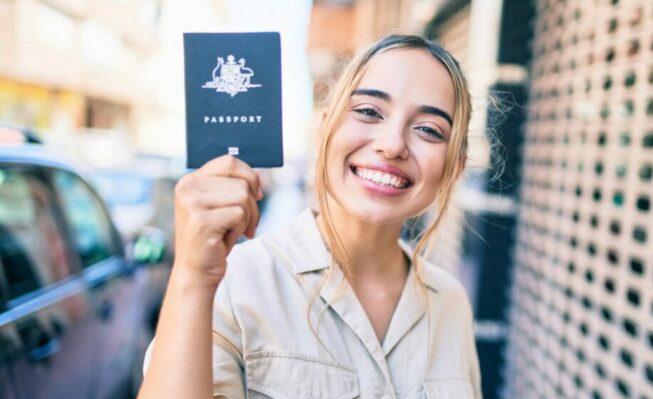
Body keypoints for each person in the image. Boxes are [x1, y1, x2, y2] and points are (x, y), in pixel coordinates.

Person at [139, 34, 481, 399]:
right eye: (368, 111)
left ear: (454, 168)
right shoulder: (235, 281)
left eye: (429, 130)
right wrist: (193, 276)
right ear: (324, 130)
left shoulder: (451, 302)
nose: (393, 144)